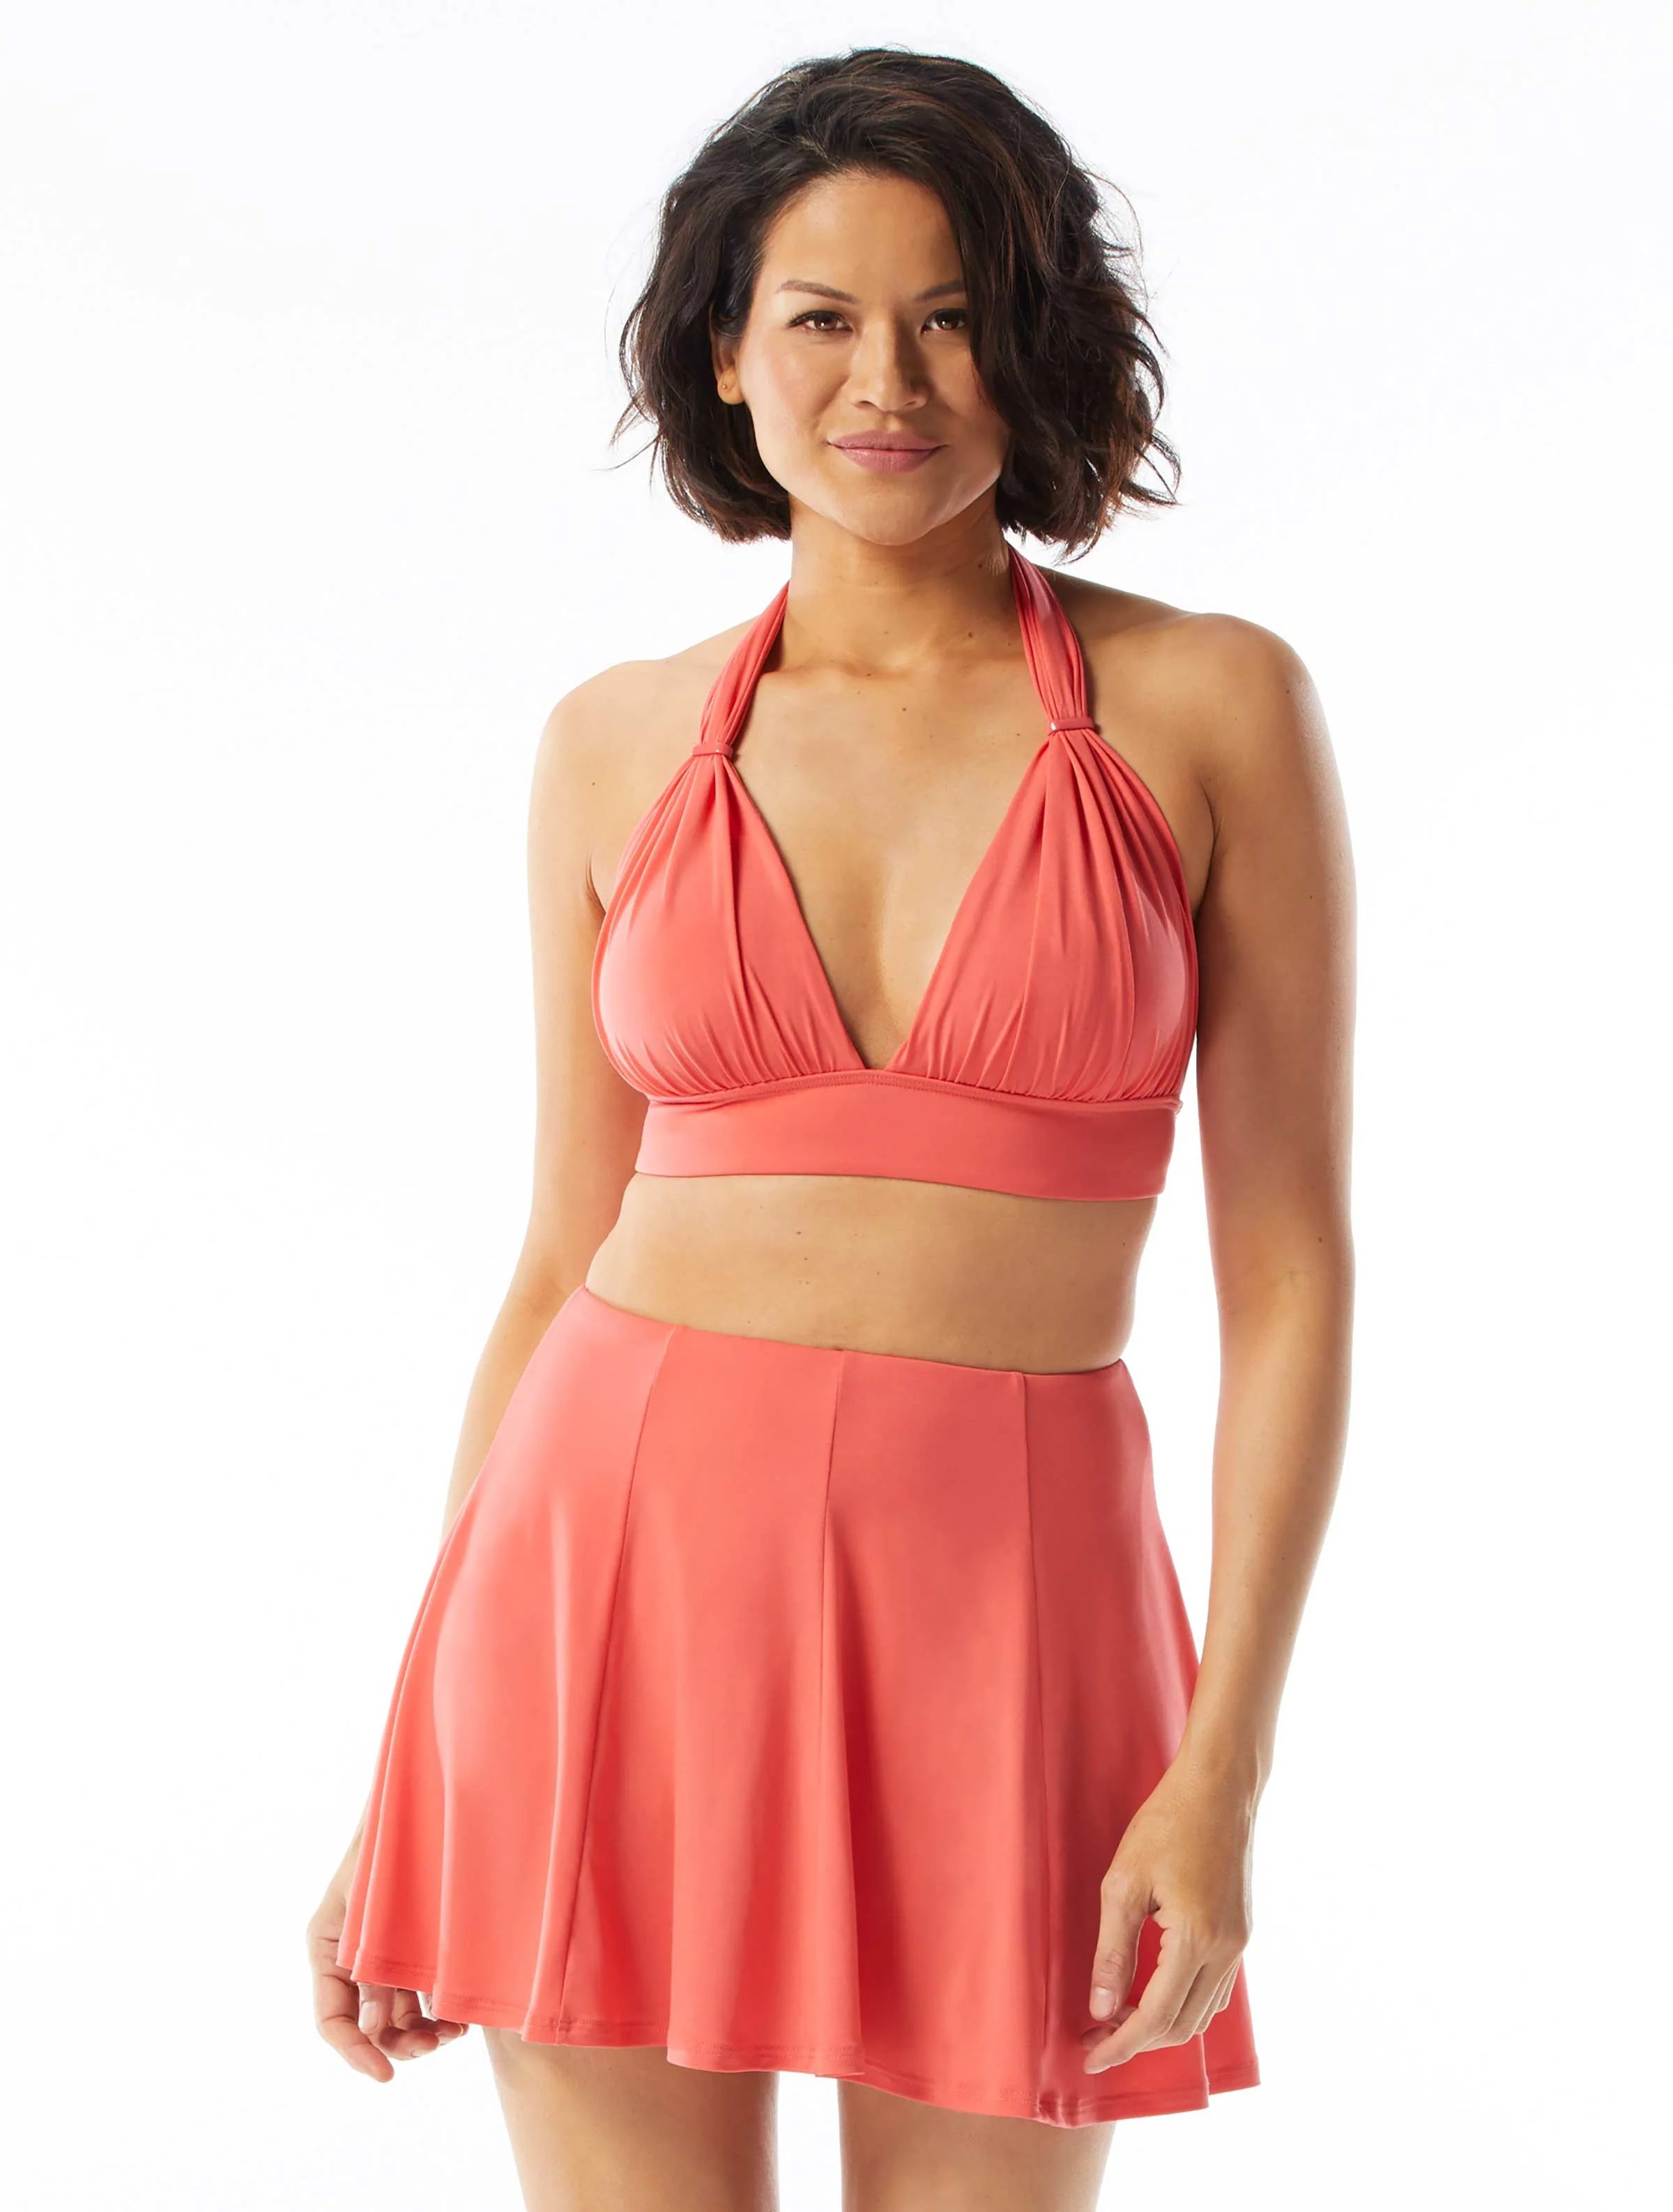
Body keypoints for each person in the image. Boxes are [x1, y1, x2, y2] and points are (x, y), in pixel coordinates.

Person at [307, 45, 1354, 2212]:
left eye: (952, 315)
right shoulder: (610, 745)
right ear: (724, 349)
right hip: (606, 1587)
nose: (889, 380)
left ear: (1033, 343)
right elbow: (558, 1253)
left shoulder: (1212, 705)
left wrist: (1224, 1762)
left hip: (1015, 1612)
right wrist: (413, 1753)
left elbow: (1290, 1272)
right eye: (822, 317)